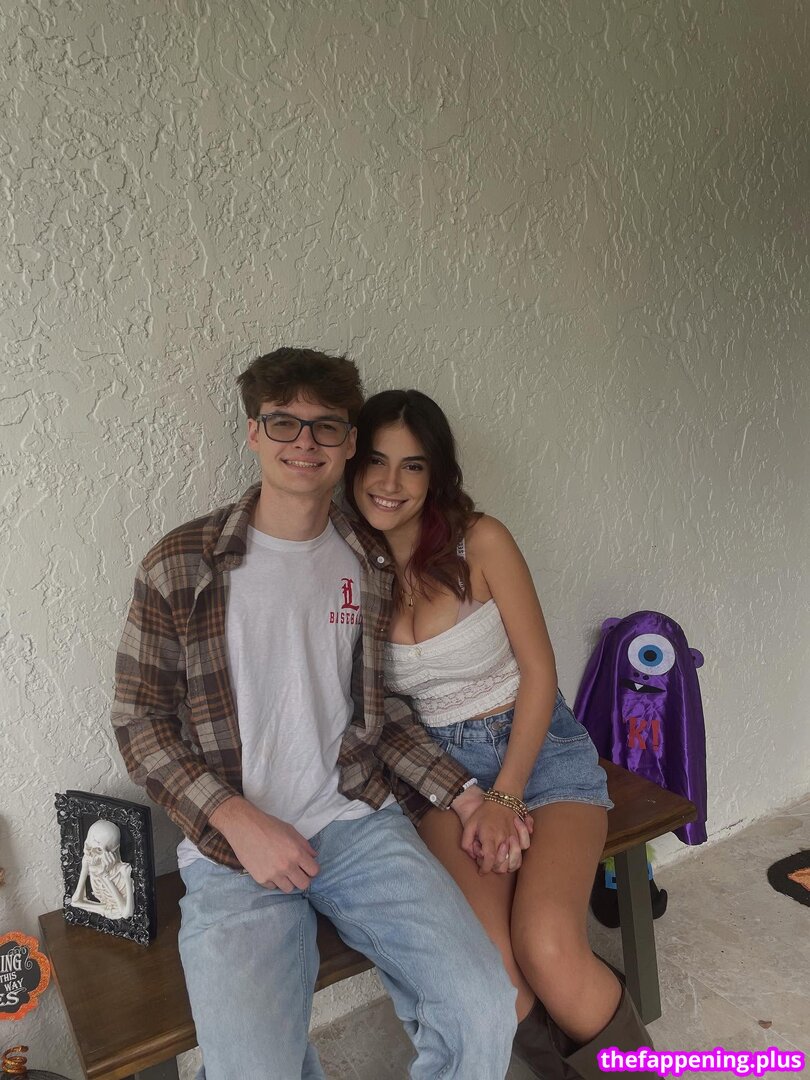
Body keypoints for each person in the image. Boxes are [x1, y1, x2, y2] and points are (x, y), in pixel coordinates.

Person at [111, 350, 518, 1080]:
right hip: (232, 850)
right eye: (283, 423)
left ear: (348, 441)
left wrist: (463, 794)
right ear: (254, 433)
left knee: (483, 1006)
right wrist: (236, 819)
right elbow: (140, 722)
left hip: (357, 823)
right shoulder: (181, 564)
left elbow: (378, 711)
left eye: (326, 425)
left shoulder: (368, 559)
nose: (305, 441)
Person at [345, 389, 657, 1080]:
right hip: (440, 774)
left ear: (436, 474)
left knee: (547, 946)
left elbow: (540, 672)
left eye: (412, 465)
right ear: (352, 465)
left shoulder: (480, 540)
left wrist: (506, 796)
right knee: (494, 975)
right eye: (376, 461)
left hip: (539, 751)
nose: (390, 482)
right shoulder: (346, 569)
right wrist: (472, 797)